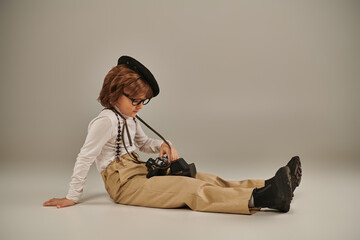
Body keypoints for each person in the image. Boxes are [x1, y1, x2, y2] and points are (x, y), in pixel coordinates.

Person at [43, 55, 302, 214]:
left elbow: (143, 143)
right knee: (187, 190)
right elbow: (85, 157)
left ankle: (269, 184)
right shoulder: (105, 121)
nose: (139, 105)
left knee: (198, 176)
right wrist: (72, 196)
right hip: (123, 186)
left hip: (138, 171)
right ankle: (261, 198)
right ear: (114, 91)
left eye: (143, 101)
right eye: (134, 99)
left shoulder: (130, 117)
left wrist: (163, 145)